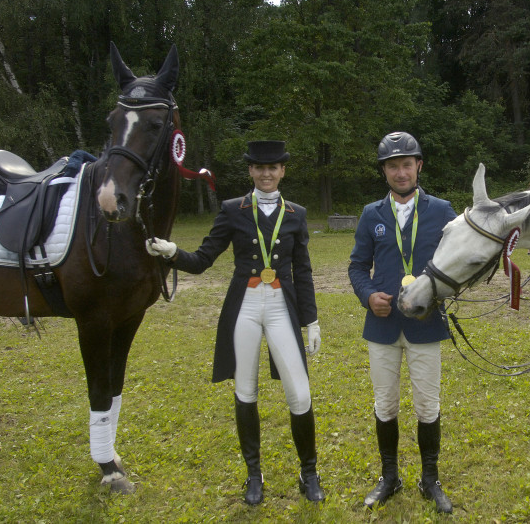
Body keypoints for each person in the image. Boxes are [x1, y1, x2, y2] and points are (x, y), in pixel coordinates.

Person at [146, 140, 325, 505]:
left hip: (281, 308)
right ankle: (253, 475)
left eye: (273, 167)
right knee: (246, 390)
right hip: (244, 307)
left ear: (283, 171)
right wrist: (171, 254)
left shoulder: (296, 214)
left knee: (300, 393)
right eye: (259, 168)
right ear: (250, 171)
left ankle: (309, 473)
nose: (266, 173)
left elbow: (303, 272)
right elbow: (202, 259)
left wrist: (312, 320)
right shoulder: (233, 210)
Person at [348, 132, 457, 514]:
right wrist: (367, 295)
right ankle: (389, 476)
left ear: (419, 166)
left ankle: (430, 480)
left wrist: (441, 295)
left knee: (428, 405)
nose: (400, 171)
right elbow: (357, 266)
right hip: (383, 324)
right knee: (385, 404)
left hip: (425, 323)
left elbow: (456, 263)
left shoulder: (443, 211)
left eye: (406, 164)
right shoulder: (370, 214)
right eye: (392, 165)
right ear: (384, 171)